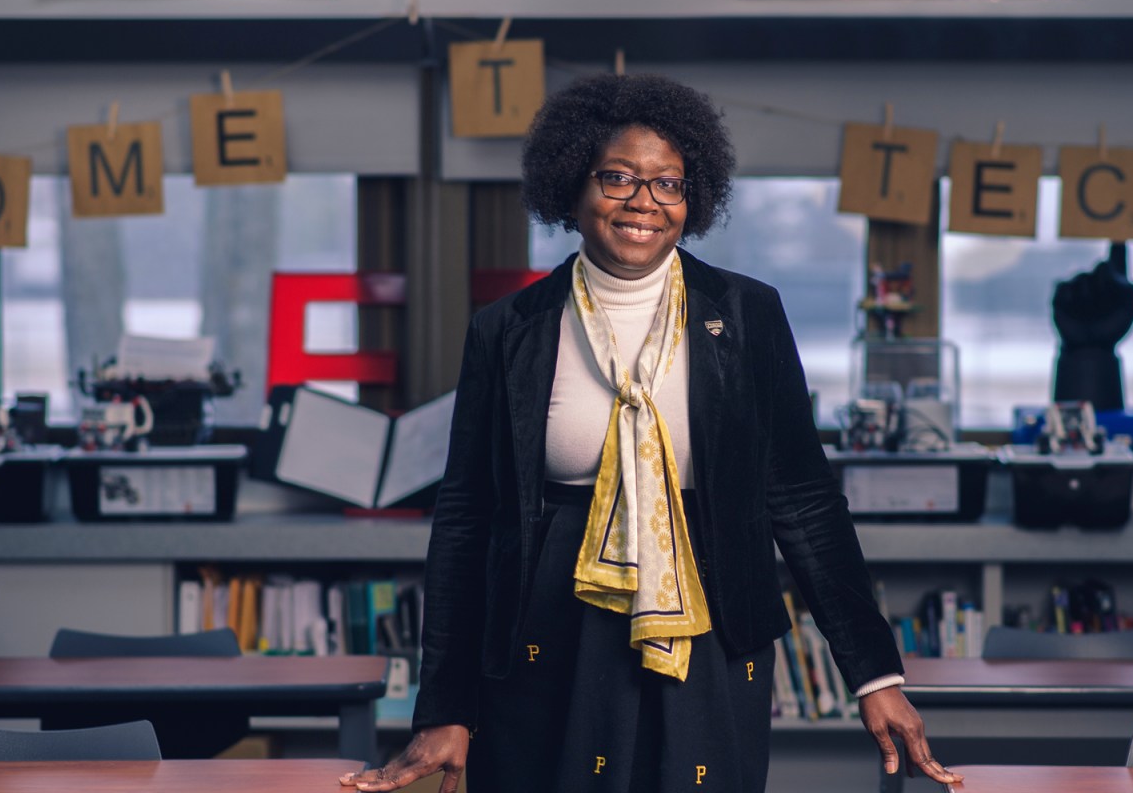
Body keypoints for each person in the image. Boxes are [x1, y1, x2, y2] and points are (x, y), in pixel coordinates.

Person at [346, 73, 960, 793]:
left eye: (669, 184)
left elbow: (803, 499)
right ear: (572, 184)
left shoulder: (748, 314)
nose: (644, 203)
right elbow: (465, 522)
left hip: (714, 625)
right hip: (549, 628)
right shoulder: (507, 329)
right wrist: (444, 707)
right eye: (618, 178)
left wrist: (873, 672)